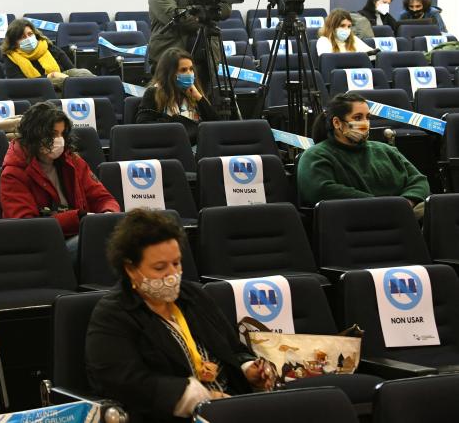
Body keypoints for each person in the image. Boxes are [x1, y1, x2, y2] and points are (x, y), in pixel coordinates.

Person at [86, 209, 274, 423]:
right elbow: (125, 383)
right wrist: (196, 398)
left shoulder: (193, 295)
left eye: (176, 263)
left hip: (230, 408)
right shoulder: (112, 314)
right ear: (130, 268)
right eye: (159, 267)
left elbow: (232, 349)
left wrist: (248, 369)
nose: (172, 275)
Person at [0, 102, 119, 255]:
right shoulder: (13, 173)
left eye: (62, 134)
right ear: (34, 135)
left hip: (81, 233)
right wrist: (78, 218)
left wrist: (108, 215)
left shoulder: (73, 161)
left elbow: (103, 198)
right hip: (44, 246)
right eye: (53, 134)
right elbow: (28, 226)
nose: (59, 140)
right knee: (99, 244)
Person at [298, 93, 430, 218]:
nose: (365, 123)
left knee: (438, 208)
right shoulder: (316, 155)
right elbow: (320, 190)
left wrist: (407, 202)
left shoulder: (385, 149)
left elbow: (419, 180)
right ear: (337, 123)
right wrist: (385, 206)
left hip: (405, 214)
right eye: (357, 118)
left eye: (368, 117)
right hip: (356, 219)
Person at [135, 48, 218, 145]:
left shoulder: (194, 92)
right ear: (170, 73)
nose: (189, 73)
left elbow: (215, 125)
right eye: (183, 70)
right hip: (169, 146)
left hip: (197, 146)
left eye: (191, 69)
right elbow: (142, 125)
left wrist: (200, 98)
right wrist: (176, 122)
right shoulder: (153, 92)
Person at [1, 18, 92, 90]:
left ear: (35, 34)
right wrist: (50, 76)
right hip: (37, 91)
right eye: (22, 37)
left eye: (30, 34)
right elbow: (19, 85)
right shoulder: (11, 57)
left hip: (65, 87)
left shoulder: (49, 47)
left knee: (83, 72)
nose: (28, 38)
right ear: (14, 42)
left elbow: (71, 70)